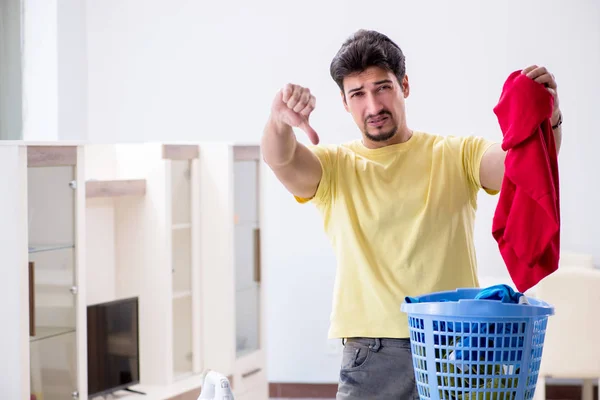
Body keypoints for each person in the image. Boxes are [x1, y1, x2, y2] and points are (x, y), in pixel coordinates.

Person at [260, 29, 563, 399]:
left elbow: (523, 166)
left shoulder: (456, 154)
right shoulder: (334, 167)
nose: (372, 106)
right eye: (358, 94)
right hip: (373, 356)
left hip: (458, 347)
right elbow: (283, 159)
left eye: (382, 87)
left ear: (404, 85)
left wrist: (549, 119)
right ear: (344, 102)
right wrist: (278, 121)